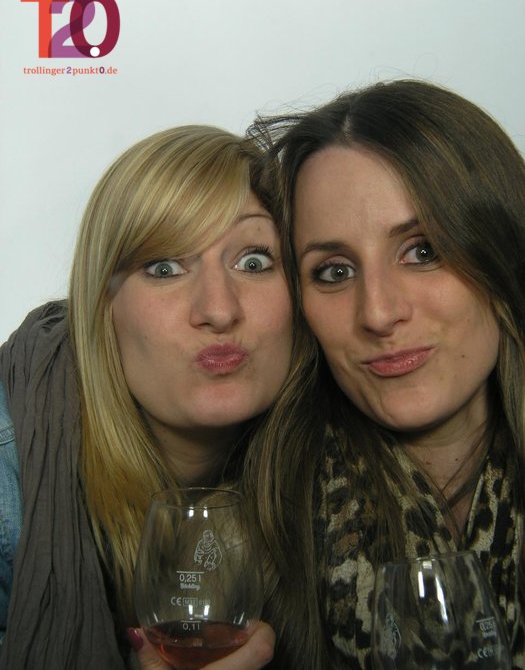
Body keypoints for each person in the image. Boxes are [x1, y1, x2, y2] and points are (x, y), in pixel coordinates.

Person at [244, 79, 525, 668]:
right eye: (334, 271)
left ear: (502, 253)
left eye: (424, 251)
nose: (377, 313)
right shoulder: (252, 527)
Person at [0, 124, 295, 669]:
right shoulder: (9, 471)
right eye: (164, 268)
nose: (218, 309)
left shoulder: (341, 473)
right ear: (101, 307)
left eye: (253, 262)